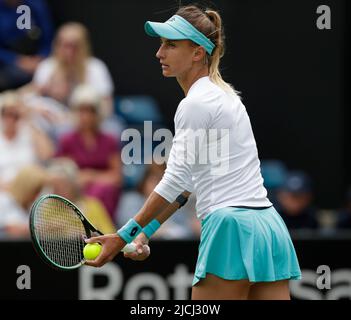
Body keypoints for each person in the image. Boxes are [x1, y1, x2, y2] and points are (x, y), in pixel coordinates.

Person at [84, 5, 301, 300]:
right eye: (161, 44)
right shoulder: (226, 98)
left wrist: (124, 235)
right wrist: (147, 230)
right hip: (267, 227)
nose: (159, 53)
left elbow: (175, 180)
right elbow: (188, 185)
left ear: (198, 53)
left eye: (170, 45)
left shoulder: (195, 104)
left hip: (230, 229)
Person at [56, 84, 122, 218]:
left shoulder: (109, 140)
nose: (85, 116)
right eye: (81, 111)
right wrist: (79, 179)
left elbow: (116, 177)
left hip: (104, 193)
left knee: (102, 190)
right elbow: (62, 175)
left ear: (97, 113)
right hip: (76, 192)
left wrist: (91, 176)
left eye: (90, 111)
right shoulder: (67, 140)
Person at [46, 157, 116, 234]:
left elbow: (109, 233)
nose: (58, 190)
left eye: (63, 185)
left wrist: (89, 233)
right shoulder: (46, 207)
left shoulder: (93, 205)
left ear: (73, 184)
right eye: (54, 186)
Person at [0, 90, 54, 189]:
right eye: (6, 114)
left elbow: (46, 155)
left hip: (30, 190)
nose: (10, 119)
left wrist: (29, 118)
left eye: (15, 115)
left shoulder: (30, 133)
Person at [0, 0, 54, 91]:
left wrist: (41, 57)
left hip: (37, 60)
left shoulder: (36, 5)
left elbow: (49, 38)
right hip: (7, 63)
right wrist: (16, 60)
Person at [0, 165, 47, 238]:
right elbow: (10, 229)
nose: (37, 195)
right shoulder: (3, 200)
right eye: (36, 190)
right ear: (26, 187)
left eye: (39, 191)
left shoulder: (33, 207)